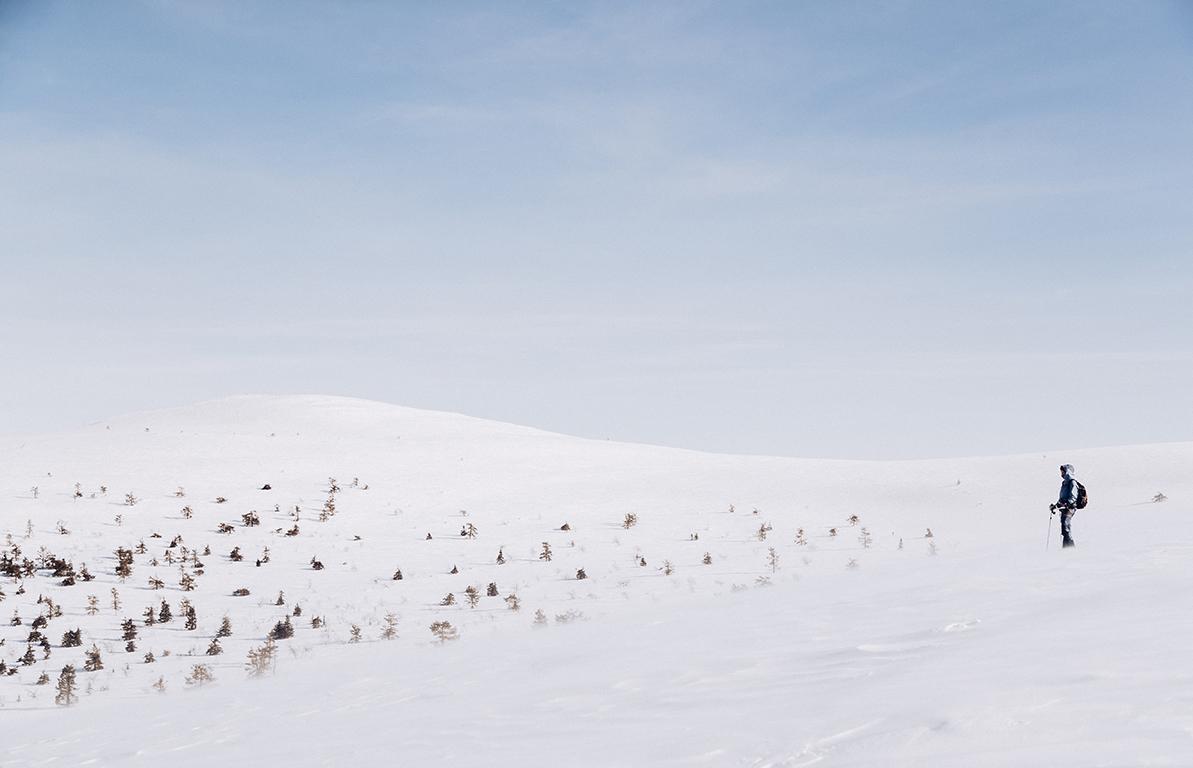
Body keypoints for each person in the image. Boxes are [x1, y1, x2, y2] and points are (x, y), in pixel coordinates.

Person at [1050, 464, 1078, 548]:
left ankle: (1071, 548)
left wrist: (1068, 504)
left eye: (1062, 471)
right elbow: (1062, 497)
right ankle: (1066, 548)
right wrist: (1055, 506)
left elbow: (1073, 496)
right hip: (1064, 508)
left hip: (1070, 508)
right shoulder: (1064, 483)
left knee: (1066, 526)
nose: (1061, 473)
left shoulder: (1072, 482)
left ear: (1067, 472)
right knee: (1064, 527)